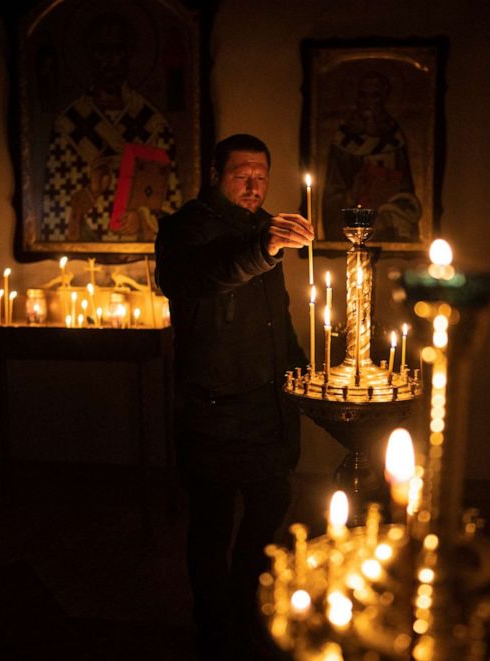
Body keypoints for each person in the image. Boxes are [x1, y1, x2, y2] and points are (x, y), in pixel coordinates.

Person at [155, 134, 313, 660]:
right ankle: (213, 625)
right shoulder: (187, 229)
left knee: (271, 501)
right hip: (214, 405)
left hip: (267, 401)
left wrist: (300, 373)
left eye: (262, 175)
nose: (254, 185)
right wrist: (263, 247)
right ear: (216, 174)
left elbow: (277, 317)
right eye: (242, 174)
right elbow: (208, 274)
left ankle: (243, 605)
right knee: (213, 518)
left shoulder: (261, 227)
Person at [40, 12, 182, 243]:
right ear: (90, 56)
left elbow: (172, 204)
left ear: (128, 55)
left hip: (139, 253)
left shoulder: (153, 124)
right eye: (101, 51)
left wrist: (144, 218)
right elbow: (54, 205)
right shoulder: (69, 125)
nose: (109, 60)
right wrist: (88, 195)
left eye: (116, 51)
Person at [322, 71, 422, 243]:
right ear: (357, 98)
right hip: (353, 219)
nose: (369, 102)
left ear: (384, 98)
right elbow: (333, 192)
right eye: (364, 95)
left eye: (375, 96)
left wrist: (388, 200)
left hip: (388, 218)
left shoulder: (394, 138)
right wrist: (352, 194)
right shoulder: (344, 140)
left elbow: (406, 191)